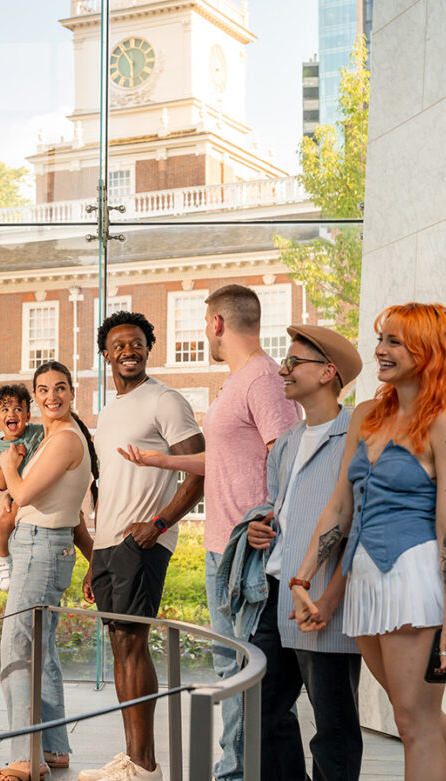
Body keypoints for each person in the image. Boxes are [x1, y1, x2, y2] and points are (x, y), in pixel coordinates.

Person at [121, 285, 300, 781]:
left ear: (218, 323)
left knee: (242, 672)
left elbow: (289, 457)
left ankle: (233, 774)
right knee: (229, 667)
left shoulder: (262, 380)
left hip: (248, 553)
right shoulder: (238, 381)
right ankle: (234, 770)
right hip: (223, 550)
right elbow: (224, 458)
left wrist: (270, 521)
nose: (205, 333)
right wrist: (160, 459)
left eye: (205, 324)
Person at [291, 303, 446, 781]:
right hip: (366, 580)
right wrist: (303, 576)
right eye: (382, 339)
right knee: (417, 714)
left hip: (415, 581)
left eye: (394, 341)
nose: (380, 350)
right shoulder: (368, 415)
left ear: (428, 349)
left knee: (414, 725)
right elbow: (339, 505)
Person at [79, 311, 205, 781]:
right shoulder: (109, 411)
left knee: (133, 644)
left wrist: (159, 522)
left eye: (136, 343)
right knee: (120, 645)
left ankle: (145, 764)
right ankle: (133, 757)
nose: (128, 351)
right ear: (106, 354)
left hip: (142, 541)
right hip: (110, 544)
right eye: (118, 345)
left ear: (148, 348)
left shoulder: (166, 400)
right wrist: (94, 557)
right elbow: (109, 487)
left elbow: (200, 469)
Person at [237, 325, 364, 781]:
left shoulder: (356, 433)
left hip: (322, 597)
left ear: (328, 373)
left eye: (294, 363)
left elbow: (357, 520)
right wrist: (260, 525)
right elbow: (279, 505)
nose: (283, 369)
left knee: (332, 724)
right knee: (262, 710)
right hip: (275, 593)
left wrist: (331, 593)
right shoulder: (287, 441)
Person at [0, 360, 96, 781]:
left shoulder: (66, 439)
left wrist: (9, 465)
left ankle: (24, 757)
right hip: (43, 548)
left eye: (60, 388)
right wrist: (93, 561)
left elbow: (22, 492)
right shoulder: (55, 438)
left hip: (39, 550)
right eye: (44, 389)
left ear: (72, 392)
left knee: (16, 648)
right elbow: (73, 517)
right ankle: (52, 747)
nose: (52, 396)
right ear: (36, 397)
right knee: (42, 652)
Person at [0, 383, 45, 591]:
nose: (11, 413)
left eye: (18, 409)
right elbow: (2, 484)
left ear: (28, 416)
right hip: (18, 495)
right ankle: (3, 561)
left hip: (42, 491)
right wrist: (12, 461)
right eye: (4, 409)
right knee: (4, 519)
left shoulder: (37, 433)